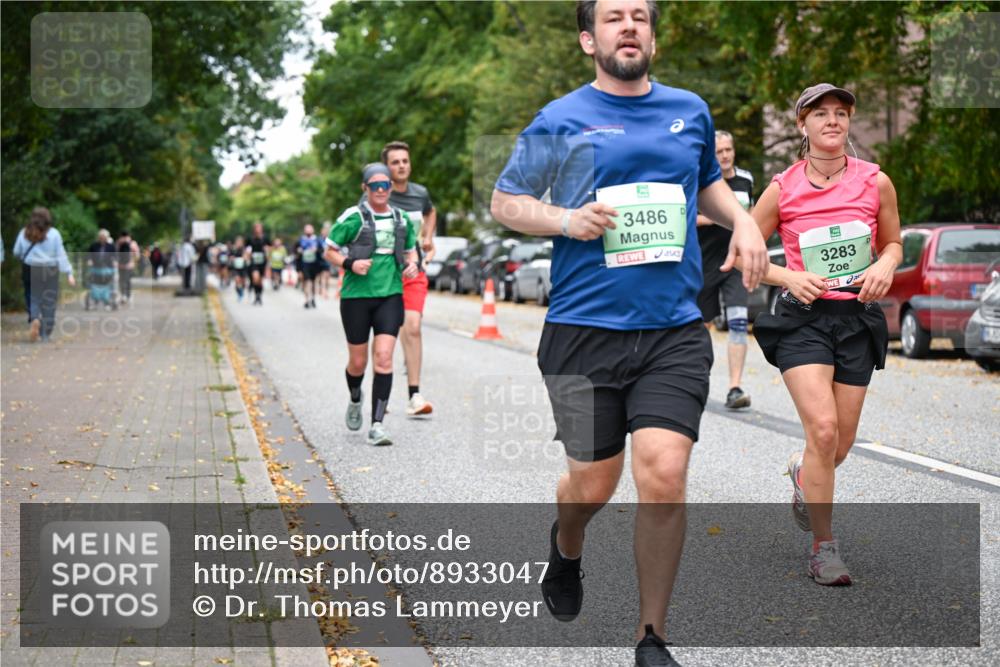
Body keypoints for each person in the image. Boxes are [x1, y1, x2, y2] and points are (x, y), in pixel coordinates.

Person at [490, 2, 767, 665]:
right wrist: (565, 220)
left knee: (664, 473)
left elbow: (707, 185)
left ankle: (651, 636)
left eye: (639, 15)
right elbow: (505, 201)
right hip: (582, 331)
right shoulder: (560, 117)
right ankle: (566, 547)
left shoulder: (689, 110)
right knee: (592, 485)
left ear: (653, 36)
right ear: (590, 39)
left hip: (672, 331)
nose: (630, 26)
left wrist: (744, 221)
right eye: (614, 17)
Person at [750, 83, 901, 586]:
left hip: (856, 319)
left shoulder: (875, 181)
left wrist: (885, 264)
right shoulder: (783, 187)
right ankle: (824, 549)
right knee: (823, 430)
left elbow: (894, 243)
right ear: (803, 124)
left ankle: (803, 471)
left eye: (840, 113)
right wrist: (787, 276)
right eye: (820, 114)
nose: (832, 121)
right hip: (803, 320)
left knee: (839, 444)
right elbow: (745, 254)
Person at [325, 163, 419, 447]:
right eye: (375, 186)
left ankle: (377, 424)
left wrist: (412, 265)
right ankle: (355, 397)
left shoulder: (402, 219)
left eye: (385, 185)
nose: (380, 190)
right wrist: (350, 263)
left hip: (390, 295)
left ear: (391, 187)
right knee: (358, 363)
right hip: (356, 297)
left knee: (384, 358)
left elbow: (411, 252)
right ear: (365, 188)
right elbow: (329, 251)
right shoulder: (353, 217)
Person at [696, 130, 755, 409]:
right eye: (718, 152)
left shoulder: (746, 180)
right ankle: (697, 380)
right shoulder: (702, 180)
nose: (724, 155)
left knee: (739, 322)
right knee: (701, 326)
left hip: (736, 262)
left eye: (728, 150)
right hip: (704, 262)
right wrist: (716, 216)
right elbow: (685, 217)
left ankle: (735, 387)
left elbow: (751, 215)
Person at [382, 140, 437, 416]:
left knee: (413, 327)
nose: (402, 166)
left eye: (405, 160)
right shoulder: (379, 194)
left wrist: (427, 237)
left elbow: (430, 211)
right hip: (385, 273)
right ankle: (380, 394)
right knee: (386, 334)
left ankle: (414, 395)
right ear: (386, 167)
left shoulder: (419, 193)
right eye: (395, 162)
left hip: (414, 271)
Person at [13, 207, 76, 341]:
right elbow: (61, 255)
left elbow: (16, 252)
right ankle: (45, 334)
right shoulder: (54, 233)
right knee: (49, 300)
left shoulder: (24, 232)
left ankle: (34, 318)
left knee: (32, 296)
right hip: (49, 269)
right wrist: (69, 272)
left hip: (29, 267)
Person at [296, 224, 324, 309]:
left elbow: (322, 251)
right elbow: (296, 252)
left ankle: (312, 298)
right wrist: (299, 251)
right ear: (304, 230)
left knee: (314, 282)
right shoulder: (300, 240)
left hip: (315, 265)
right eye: (307, 229)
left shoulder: (317, 240)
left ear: (313, 230)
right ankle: (307, 300)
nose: (308, 231)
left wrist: (316, 250)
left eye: (310, 229)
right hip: (304, 265)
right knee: (307, 281)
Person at [246, 222, 270, 306]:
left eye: (259, 228)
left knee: (260, 280)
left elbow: (270, 248)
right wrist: (247, 256)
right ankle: (256, 294)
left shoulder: (265, 238)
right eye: (256, 228)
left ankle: (259, 295)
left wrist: (267, 250)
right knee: (255, 278)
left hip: (263, 262)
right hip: (254, 261)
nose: (258, 229)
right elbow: (247, 249)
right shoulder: (250, 238)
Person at [116, 230, 140, 305]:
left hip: (120, 265)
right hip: (129, 265)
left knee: (121, 280)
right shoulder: (132, 243)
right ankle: (128, 295)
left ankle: (123, 295)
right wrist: (134, 261)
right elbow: (137, 255)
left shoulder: (118, 242)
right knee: (128, 281)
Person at [230, 236, 248, 301]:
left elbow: (247, 257)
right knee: (237, 280)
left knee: (243, 282)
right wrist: (232, 258)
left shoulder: (244, 249)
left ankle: (242, 290)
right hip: (236, 268)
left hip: (243, 268)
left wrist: (245, 257)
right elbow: (230, 256)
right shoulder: (233, 249)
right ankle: (239, 293)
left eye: (240, 242)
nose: (239, 243)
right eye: (237, 242)